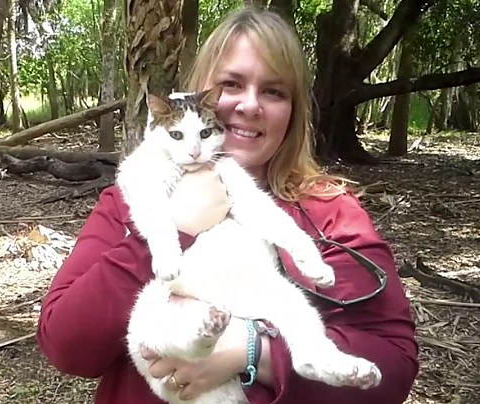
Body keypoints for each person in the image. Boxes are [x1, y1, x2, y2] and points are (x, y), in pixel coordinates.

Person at [36, 6, 418, 404]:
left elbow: (394, 365)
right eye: (231, 84)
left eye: (273, 91)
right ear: (200, 95)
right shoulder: (129, 202)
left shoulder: (330, 213)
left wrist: (256, 351)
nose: (250, 106)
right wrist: (175, 230)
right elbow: (66, 346)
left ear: (293, 110)